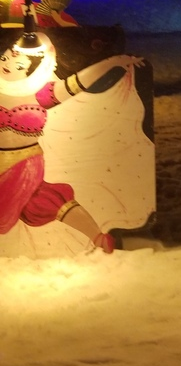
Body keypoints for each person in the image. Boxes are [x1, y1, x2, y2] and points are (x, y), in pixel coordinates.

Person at [0, 33, 145, 253]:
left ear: (31, 70)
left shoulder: (41, 94)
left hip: (25, 164)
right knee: (39, 201)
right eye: (4, 59)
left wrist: (113, 62)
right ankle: (98, 238)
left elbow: (81, 81)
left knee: (24, 202)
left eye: (19, 65)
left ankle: (98, 238)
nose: (8, 65)